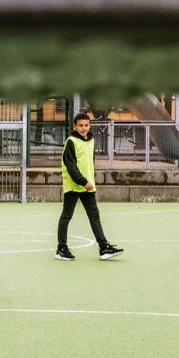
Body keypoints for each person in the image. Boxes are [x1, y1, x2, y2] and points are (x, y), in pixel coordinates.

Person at [55, 112, 122, 261]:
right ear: (75, 126)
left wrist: (89, 181)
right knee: (67, 216)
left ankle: (104, 248)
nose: (84, 128)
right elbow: (71, 166)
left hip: (88, 186)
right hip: (74, 185)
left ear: (90, 126)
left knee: (94, 216)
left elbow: (90, 162)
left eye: (86, 125)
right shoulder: (71, 141)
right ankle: (61, 248)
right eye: (80, 125)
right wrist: (83, 181)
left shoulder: (91, 141)